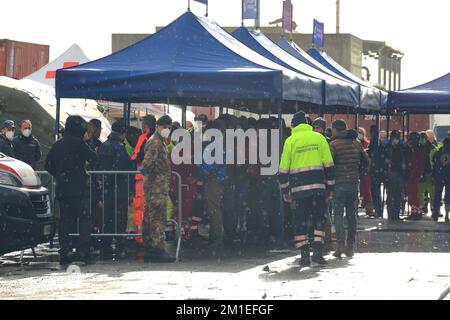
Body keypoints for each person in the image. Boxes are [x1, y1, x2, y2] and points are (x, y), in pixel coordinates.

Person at [279, 111, 335, 268]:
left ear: (294, 126)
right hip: (318, 188)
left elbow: (283, 170)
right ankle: (317, 253)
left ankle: (304, 255)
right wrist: (330, 187)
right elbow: (329, 166)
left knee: (300, 222)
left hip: (298, 191)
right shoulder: (319, 138)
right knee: (319, 219)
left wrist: (285, 190)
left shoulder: (290, 141)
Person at [45, 116, 97, 265]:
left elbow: (47, 165)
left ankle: (65, 251)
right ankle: (83, 251)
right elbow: (93, 157)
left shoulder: (58, 144)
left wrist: (60, 174)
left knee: (65, 221)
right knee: (84, 219)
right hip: (80, 188)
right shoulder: (79, 143)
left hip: (63, 189)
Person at [330, 120, 370, 258]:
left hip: (339, 183)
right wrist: (357, 171)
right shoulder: (356, 143)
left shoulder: (333, 144)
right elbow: (367, 161)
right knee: (352, 215)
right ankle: (351, 246)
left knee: (338, 215)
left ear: (336, 130)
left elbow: (329, 164)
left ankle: (340, 244)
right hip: (353, 184)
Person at [96, 120, 135, 258]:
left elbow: (98, 166)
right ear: (123, 133)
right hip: (119, 190)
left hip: (106, 191)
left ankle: (105, 247)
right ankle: (120, 247)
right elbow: (122, 168)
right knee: (120, 220)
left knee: (106, 219)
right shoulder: (120, 148)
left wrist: (103, 183)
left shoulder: (103, 146)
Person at [142, 115, 176, 262]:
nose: (167, 130)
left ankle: (150, 246)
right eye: (164, 127)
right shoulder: (155, 143)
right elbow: (147, 164)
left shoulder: (159, 141)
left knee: (151, 217)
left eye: (169, 128)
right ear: (157, 127)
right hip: (155, 186)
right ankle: (157, 248)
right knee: (157, 217)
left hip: (157, 185)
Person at [131, 115, 156, 243]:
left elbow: (136, 156)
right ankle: (152, 234)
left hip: (141, 176)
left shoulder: (143, 137)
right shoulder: (159, 138)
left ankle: (140, 235)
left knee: (139, 206)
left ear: (145, 125)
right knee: (153, 205)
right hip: (155, 177)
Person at [386, 130, 408, 221]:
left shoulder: (402, 147)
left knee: (398, 195)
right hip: (391, 173)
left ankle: (396, 214)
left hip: (399, 173)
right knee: (391, 194)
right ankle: (391, 214)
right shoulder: (388, 147)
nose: (396, 140)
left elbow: (405, 158)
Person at [419, 130, 440, 215]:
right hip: (426, 172)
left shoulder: (430, 148)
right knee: (427, 192)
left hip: (427, 172)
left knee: (425, 191)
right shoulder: (432, 147)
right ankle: (428, 207)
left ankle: (427, 207)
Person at [368, 125, 385, 218]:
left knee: (375, 191)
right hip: (379, 169)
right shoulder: (379, 142)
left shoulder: (374, 142)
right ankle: (379, 210)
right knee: (377, 192)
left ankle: (378, 210)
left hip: (375, 169)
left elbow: (371, 153)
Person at [432, 137, 450, 222]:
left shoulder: (438, 152)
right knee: (448, 195)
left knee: (437, 195)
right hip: (448, 176)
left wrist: (435, 174)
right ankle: (447, 214)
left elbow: (434, 164)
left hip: (439, 175)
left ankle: (436, 211)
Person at [358, 127, 374, 216]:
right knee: (361, 188)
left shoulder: (366, 144)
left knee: (366, 188)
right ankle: (363, 203)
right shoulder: (356, 143)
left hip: (364, 169)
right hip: (358, 168)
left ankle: (369, 208)